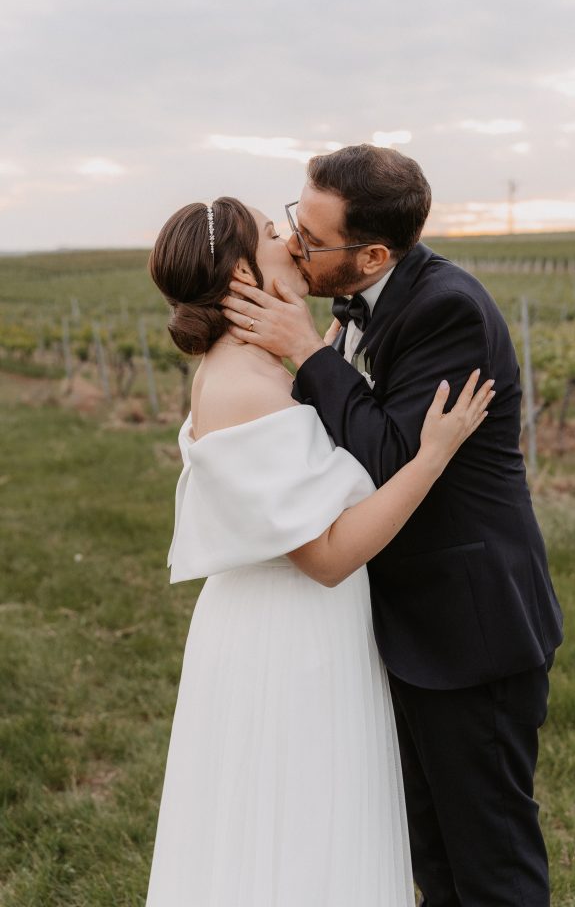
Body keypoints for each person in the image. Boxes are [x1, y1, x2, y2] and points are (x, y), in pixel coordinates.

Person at [222, 145, 564, 907]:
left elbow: (386, 458)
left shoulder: (447, 309)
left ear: (373, 253)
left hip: (469, 628)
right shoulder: (359, 299)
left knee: (491, 864)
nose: (293, 245)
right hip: (407, 626)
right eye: (293, 222)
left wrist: (305, 351)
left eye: (311, 238)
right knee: (431, 856)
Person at [145, 196, 494, 907]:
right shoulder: (243, 387)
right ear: (244, 269)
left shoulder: (257, 367)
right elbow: (329, 557)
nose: (293, 241)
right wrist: (430, 457)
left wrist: (315, 353)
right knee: (298, 838)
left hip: (299, 628)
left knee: (310, 831)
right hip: (289, 639)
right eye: (276, 233)